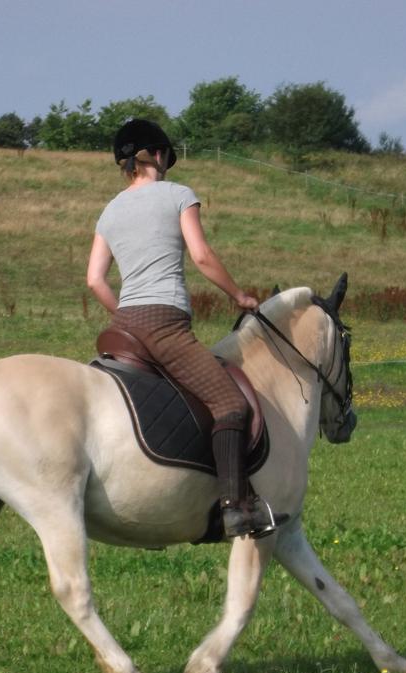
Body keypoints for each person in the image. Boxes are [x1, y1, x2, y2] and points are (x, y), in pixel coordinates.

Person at [86, 118, 287, 539]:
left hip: (123, 328)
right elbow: (201, 256)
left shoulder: (110, 211)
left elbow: (95, 281)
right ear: (158, 155)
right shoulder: (179, 195)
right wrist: (239, 296)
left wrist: (124, 311)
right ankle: (236, 508)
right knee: (230, 404)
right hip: (165, 325)